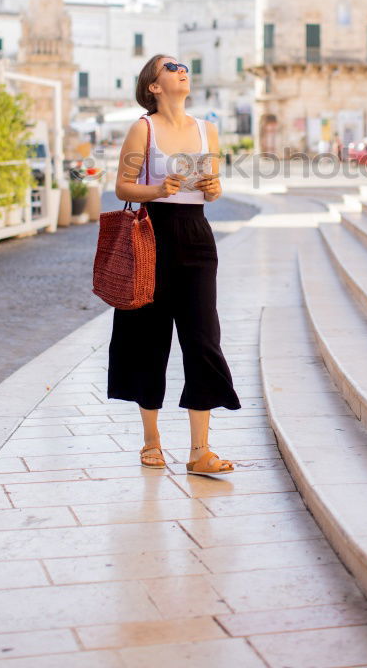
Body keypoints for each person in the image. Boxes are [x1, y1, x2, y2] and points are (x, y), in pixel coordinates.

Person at [109, 53, 241, 475]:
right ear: (153, 85)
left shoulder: (208, 130)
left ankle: (200, 451)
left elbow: (212, 190)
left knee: (203, 337)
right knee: (148, 337)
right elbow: (121, 188)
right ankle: (151, 440)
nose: (182, 70)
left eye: (184, 66)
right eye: (171, 67)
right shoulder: (142, 129)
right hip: (151, 236)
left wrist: (214, 186)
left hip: (197, 238)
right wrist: (155, 188)